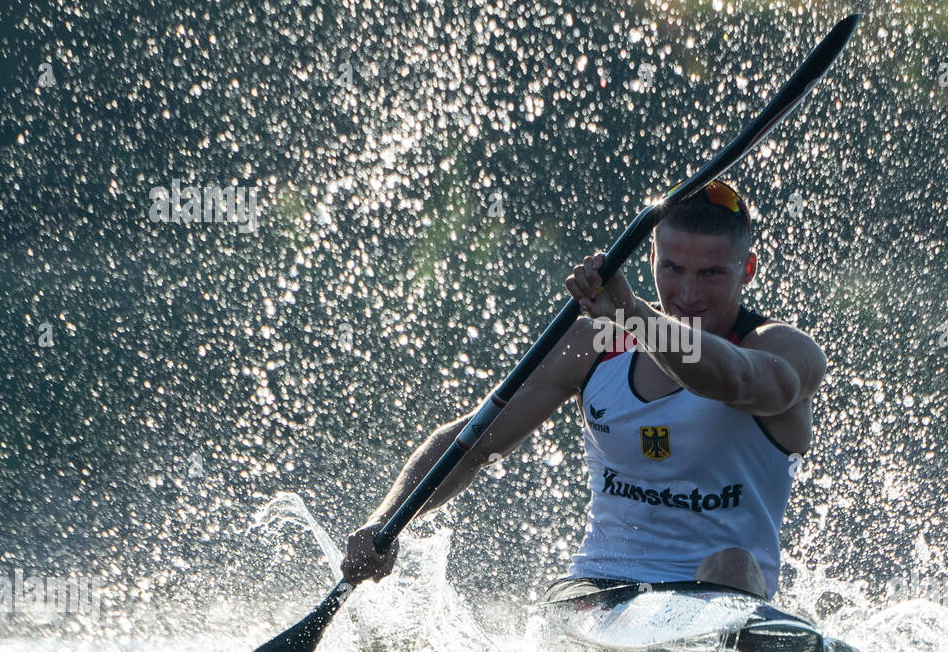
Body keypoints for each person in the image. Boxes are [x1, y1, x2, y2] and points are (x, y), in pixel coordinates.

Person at [341, 179, 826, 600]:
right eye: (673, 269)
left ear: (747, 270)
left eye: (711, 273)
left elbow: (732, 380)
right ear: (652, 258)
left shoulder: (785, 352)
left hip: (721, 595)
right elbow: (472, 444)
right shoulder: (593, 343)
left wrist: (634, 315)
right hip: (601, 590)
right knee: (570, 595)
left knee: (732, 564)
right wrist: (385, 521)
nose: (688, 294)